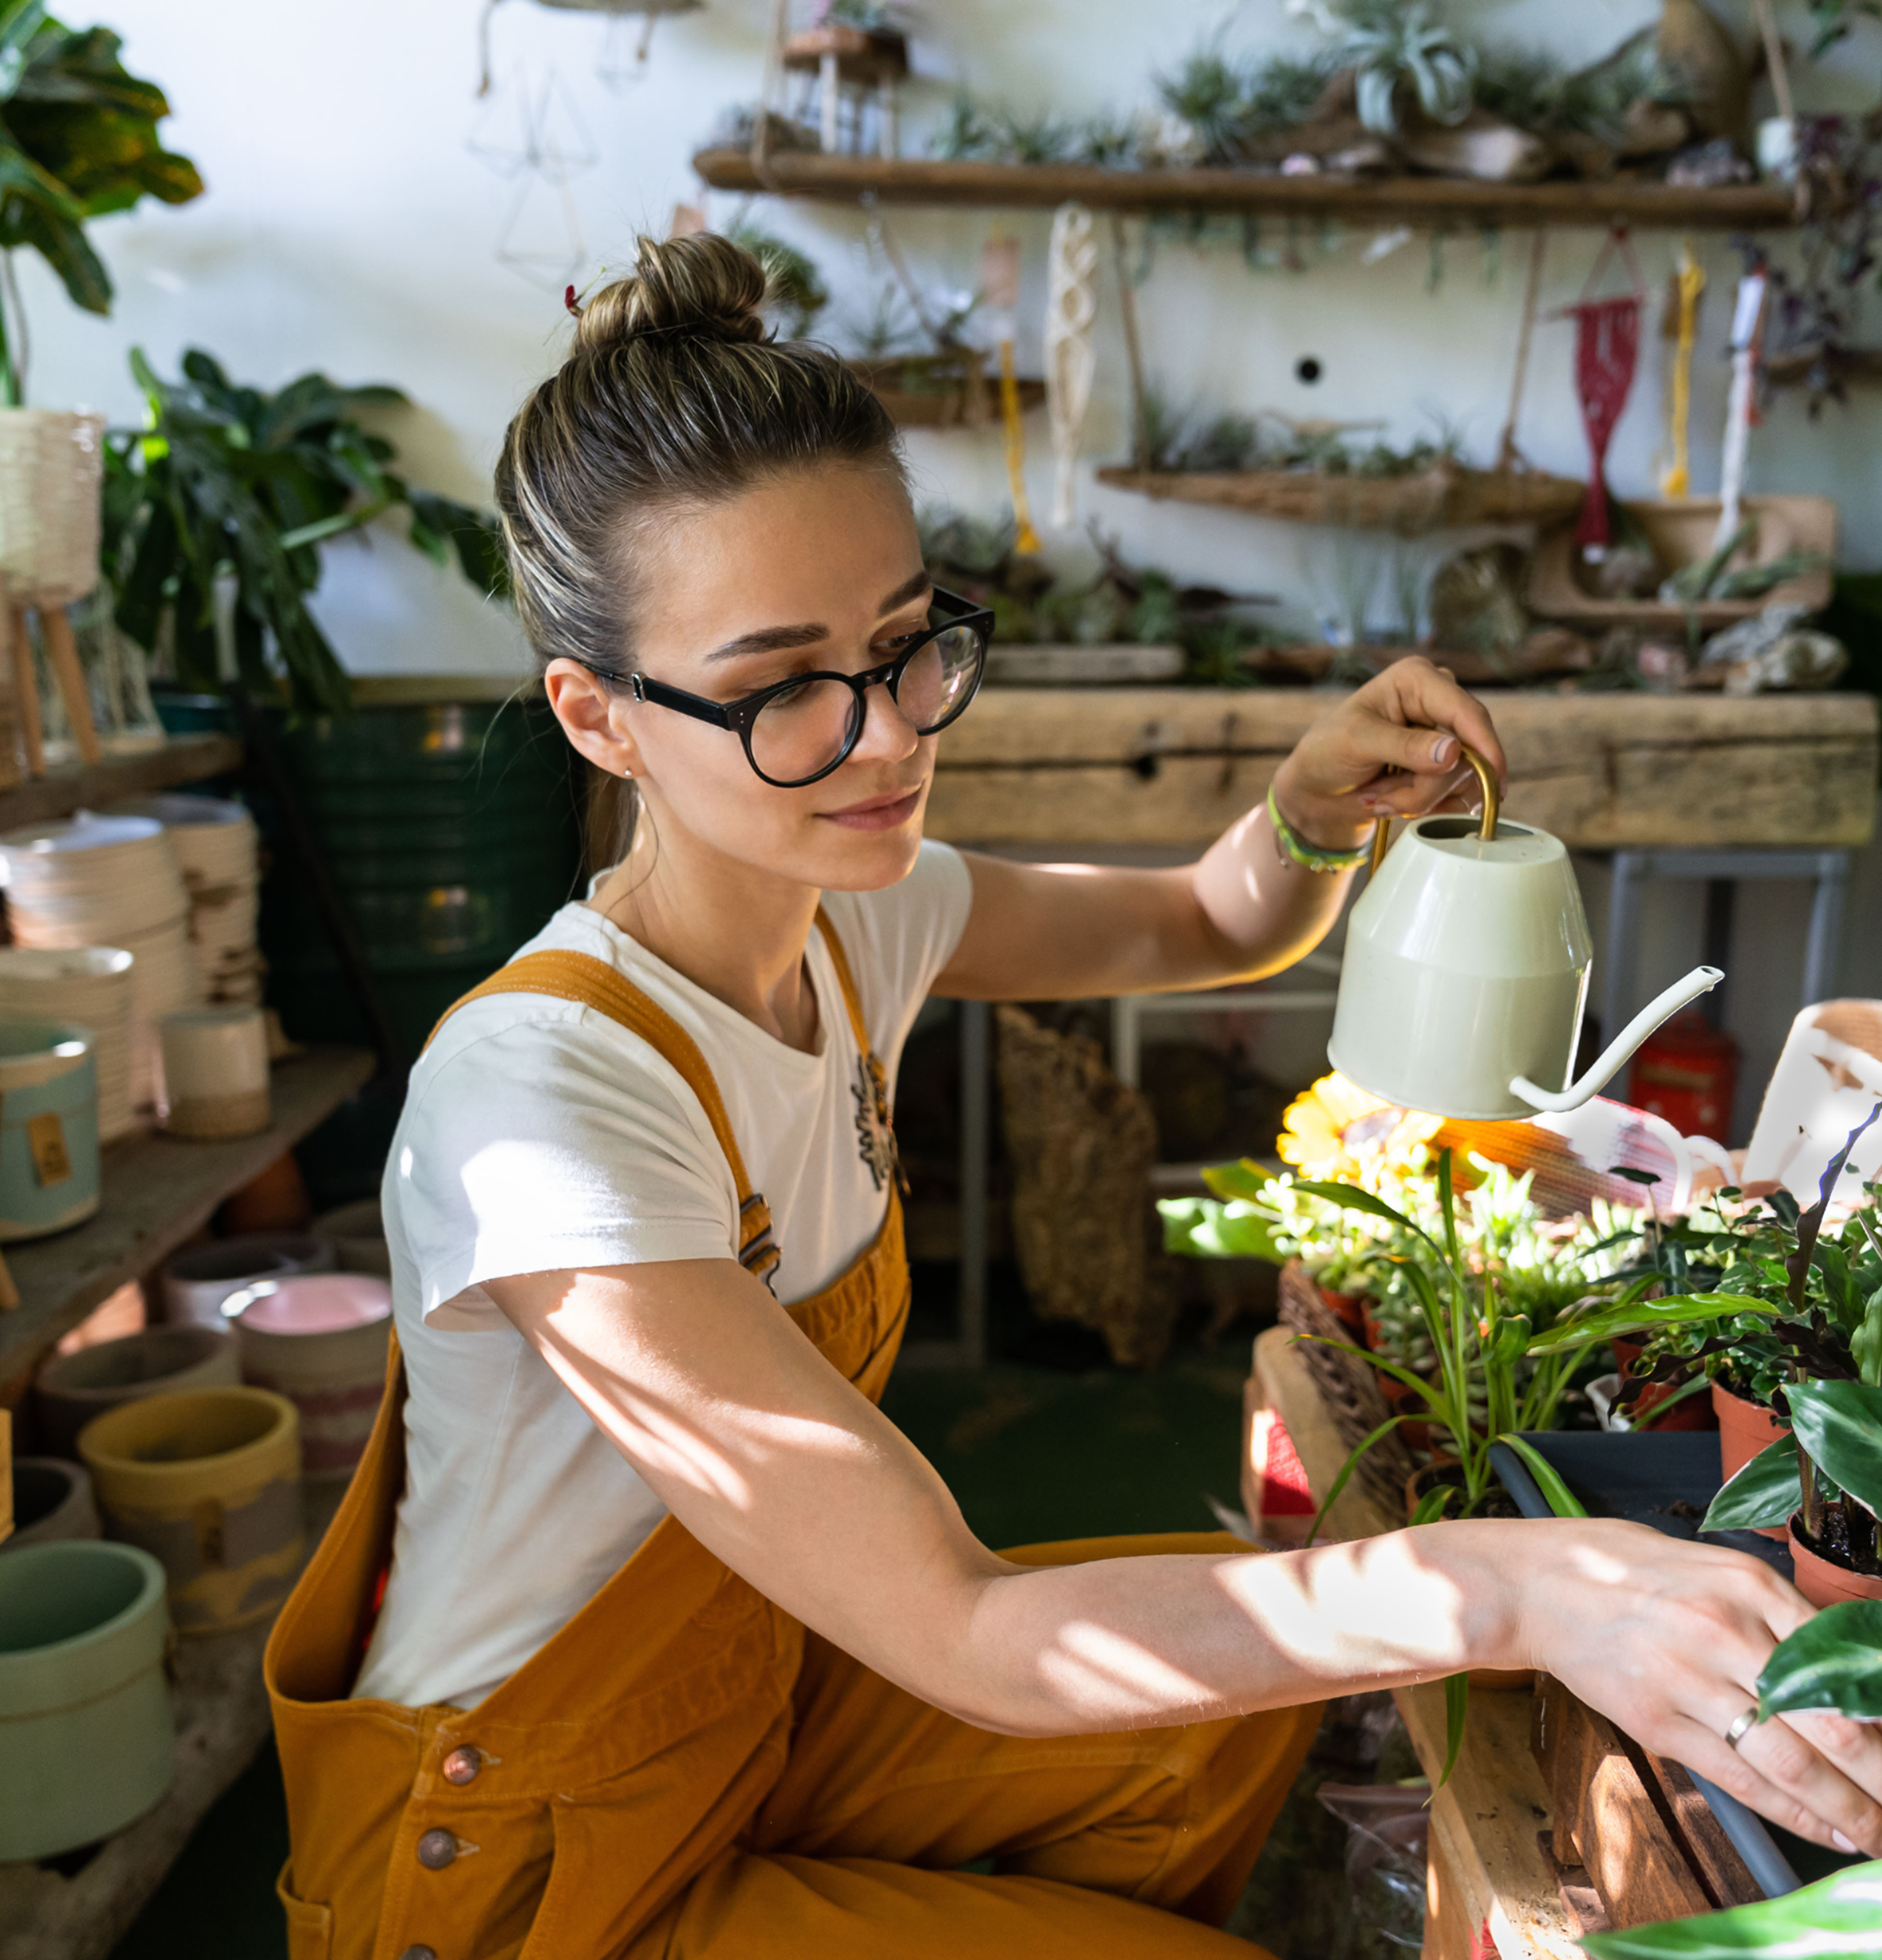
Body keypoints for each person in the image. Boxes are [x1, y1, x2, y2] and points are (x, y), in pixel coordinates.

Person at [265, 232, 1882, 1960]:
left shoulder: (853, 923)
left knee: (1216, 1721)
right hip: (518, 1852)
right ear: (595, 718)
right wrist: (1512, 1585)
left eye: (904, 647)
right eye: (782, 692)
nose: (884, 737)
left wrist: (1314, 810)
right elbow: (965, 1632)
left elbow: (1202, 920)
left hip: (753, 1693)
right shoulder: (546, 1105)